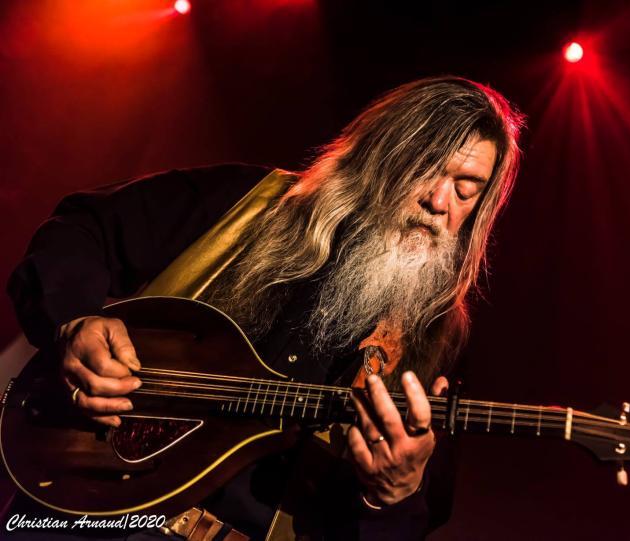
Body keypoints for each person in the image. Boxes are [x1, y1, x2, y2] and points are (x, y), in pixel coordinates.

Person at [6, 76, 524, 540]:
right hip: (80, 515)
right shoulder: (243, 202)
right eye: (424, 171)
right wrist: (73, 319)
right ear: (379, 158)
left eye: (466, 189)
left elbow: (414, 518)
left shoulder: (437, 337)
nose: (439, 202)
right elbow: (82, 228)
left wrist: (394, 495)